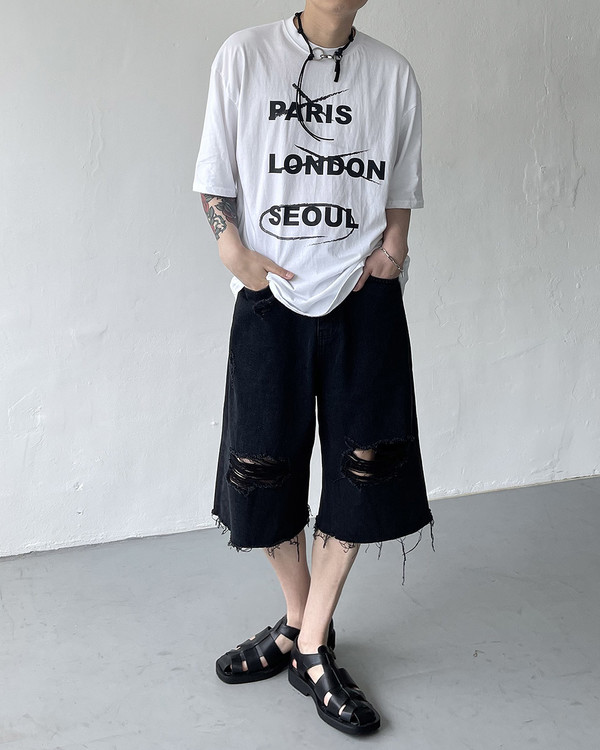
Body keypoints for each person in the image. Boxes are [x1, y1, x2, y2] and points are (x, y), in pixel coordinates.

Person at [192, 0, 435, 736]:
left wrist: (392, 252)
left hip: (364, 299)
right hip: (271, 299)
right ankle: (306, 634)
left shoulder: (392, 74)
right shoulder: (244, 56)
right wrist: (233, 250)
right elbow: (214, 175)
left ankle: (307, 636)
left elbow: (400, 187)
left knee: (366, 468)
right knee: (260, 471)